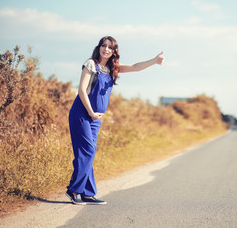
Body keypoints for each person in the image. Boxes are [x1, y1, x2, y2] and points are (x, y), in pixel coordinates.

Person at [66, 36, 164, 205]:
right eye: (104, 46)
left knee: (89, 153)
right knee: (87, 151)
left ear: (113, 52)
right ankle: (73, 190)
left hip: (95, 118)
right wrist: (91, 112)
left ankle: (87, 194)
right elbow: (81, 91)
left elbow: (135, 67)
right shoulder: (91, 64)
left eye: (110, 47)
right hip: (82, 113)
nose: (106, 49)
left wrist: (154, 61)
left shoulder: (112, 68)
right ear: (99, 48)